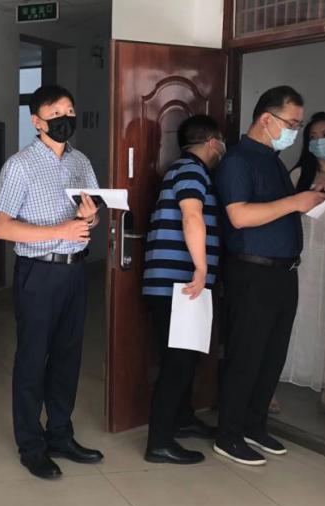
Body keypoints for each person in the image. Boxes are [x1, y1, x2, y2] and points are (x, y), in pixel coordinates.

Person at [0, 85, 104, 480]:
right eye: (55, 113)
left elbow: (90, 217)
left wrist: (89, 219)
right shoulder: (19, 166)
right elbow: (2, 228)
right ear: (37, 121)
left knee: (67, 357)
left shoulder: (81, 161)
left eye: (69, 111)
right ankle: (31, 445)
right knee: (32, 358)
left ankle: (60, 434)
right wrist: (61, 229)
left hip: (74, 270)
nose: (64, 119)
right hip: (38, 273)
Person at [213, 86, 325, 466]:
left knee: (271, 355)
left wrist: (305, 200)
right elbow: (239, 216)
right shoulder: (238, 160)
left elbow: (277, 211)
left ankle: (254, 425)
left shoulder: (274, 161)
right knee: (246, 355)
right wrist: (295, 202)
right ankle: (229, 434)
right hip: (252, 272)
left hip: (283, 272)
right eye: (292, 123)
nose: (296, 131)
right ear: (267, 119)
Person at [141, 115, 225, 465]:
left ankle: (183, 418)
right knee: (177, 362)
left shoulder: (184, 169)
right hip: (180, 284)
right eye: (220, 142)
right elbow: (192, 216)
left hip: (176, 284)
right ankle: (159, 442)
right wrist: (202, 268)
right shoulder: (191, 171)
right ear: (212, 142)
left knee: (186, 358)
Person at [278, 112, 325, 415]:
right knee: (295, 319)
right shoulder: (298, 176)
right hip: (305, 260)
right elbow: (281, 215)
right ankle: (271, 385)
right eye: (314, 137)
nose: (320, 141)